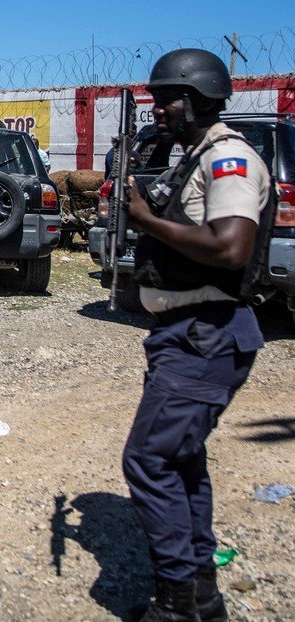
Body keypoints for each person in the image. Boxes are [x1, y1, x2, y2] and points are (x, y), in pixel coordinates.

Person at [122, 49, 272, 622]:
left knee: (150, 459)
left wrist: (146, 220)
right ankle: (202, 593)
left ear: (201, 98)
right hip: (185, 331)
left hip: (206, 333)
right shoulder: (194, 157)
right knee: (182, 460)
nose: (159, 109)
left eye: (169, 99)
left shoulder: (229, 158)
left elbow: (231, 246)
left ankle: (179, 599)